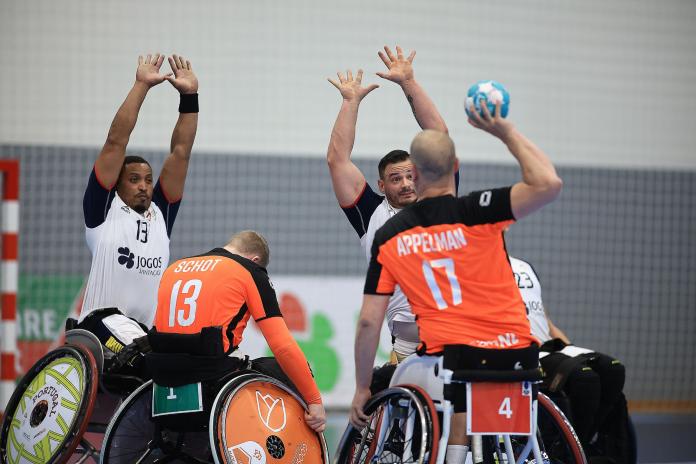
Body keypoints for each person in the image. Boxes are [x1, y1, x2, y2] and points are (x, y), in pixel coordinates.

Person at [351, 99, 563, 463]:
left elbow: (370, 320)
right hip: (516, 356)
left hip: (448, 360)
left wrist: (360, 388)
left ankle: (447, 453)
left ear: (414, 175)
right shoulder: (482, 209)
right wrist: (504, 132)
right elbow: (548, 183)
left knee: (424, 380)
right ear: (457, 166)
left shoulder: (392, 234)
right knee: (475, 387)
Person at [327, 45, 448, 362]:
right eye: (396, 179)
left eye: (411, 176)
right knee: (382, 400)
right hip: (406, 336)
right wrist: (350, 102)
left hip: (450, 326)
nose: (407, 183)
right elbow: (337, 160)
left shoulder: (440, 202)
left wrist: (409, 82)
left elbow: (440, 136)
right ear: (382, 185)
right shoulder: (372, 213)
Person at [78, 53, 199, 357]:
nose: (144, 185)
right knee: (148, 357)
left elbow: (181, 151)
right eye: (133, 179)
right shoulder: (103, 212)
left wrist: (190, 98)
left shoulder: (161, 213)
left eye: (147, 179)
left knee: (177, 360)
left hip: (144, 333)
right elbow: (115, 142)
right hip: (99, 324)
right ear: (116, 184)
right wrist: (141, 85)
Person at [152, 230, 326, 432]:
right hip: (212, 376)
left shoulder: (174, 267)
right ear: (255, 260)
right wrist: (314, 401)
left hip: (162, 373)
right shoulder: (249, 271)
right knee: (286, 368)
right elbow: (282, 346)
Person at [509, 255, 629, 461]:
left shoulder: (525, 267)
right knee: (585, 379)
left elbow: (545, 321)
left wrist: (571, 351)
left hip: (552, 348)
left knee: (613, 369)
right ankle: (571, 452)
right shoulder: (486, 269)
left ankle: (581, 443)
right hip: (525, 352)